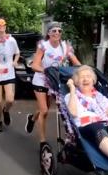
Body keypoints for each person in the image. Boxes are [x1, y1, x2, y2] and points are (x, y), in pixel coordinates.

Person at [25, 22, 81, 156]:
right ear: (49, 33)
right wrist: (47, 71)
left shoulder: (65, 46)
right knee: (44, 110)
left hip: (53, 82)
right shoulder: (43, 46)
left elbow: (76, 63)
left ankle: (32, 118)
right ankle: (42, 142)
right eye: (54, 31)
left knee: (42, 108)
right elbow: (34, 65)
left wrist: (83, 71)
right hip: (40, 80)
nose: (57, 33)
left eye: (59, 31)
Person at [0, 18, 20, 132]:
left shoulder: (11, 40)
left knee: (10, 100)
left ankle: (6, 111)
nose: (2, 27)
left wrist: (15, 61)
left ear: (6, 27)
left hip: (8, 74)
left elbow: (17, 53)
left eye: (4, 25)